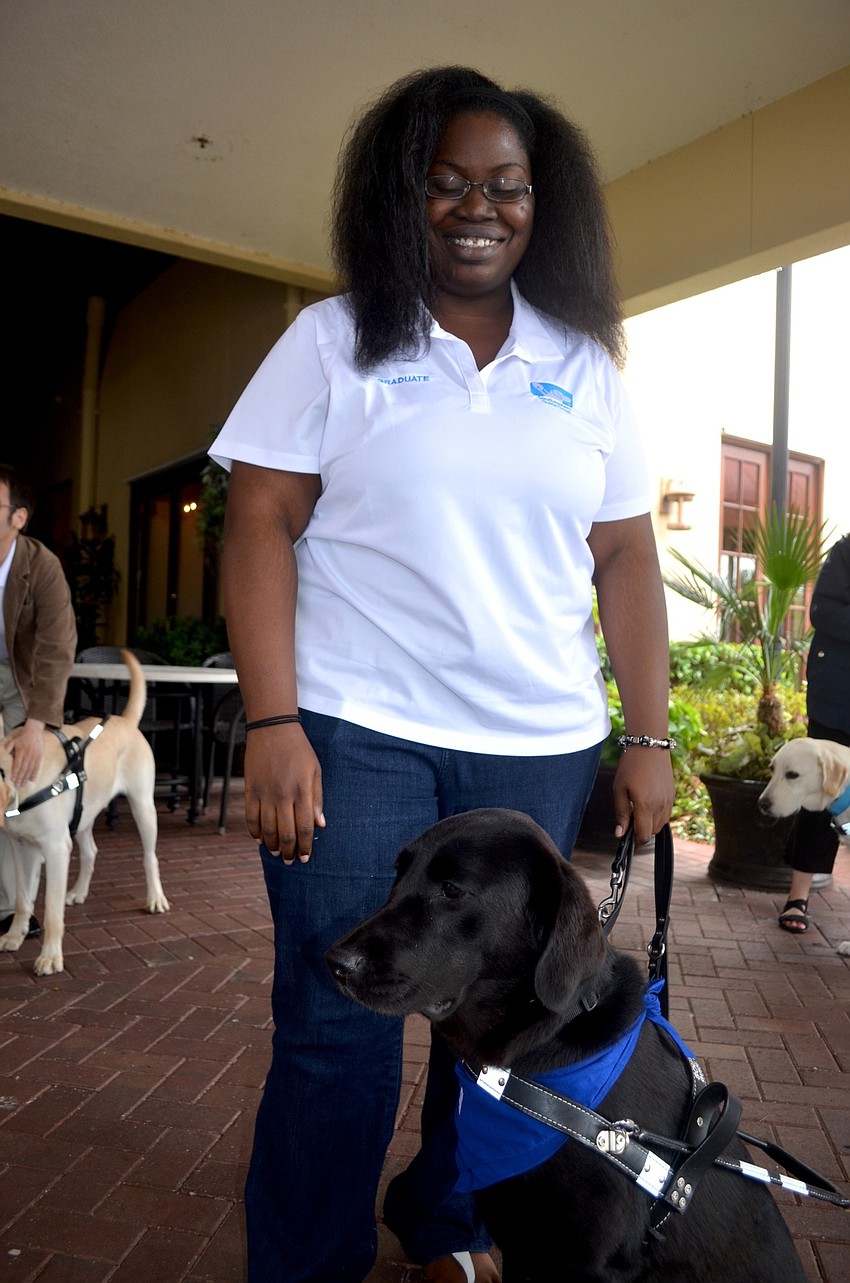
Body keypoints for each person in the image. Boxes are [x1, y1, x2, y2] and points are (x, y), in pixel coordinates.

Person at [212, 66, 675, 1283]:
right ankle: (305, 1264)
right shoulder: (331, 338)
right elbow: (258, 521)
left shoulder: (585, 364)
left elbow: (625, 553)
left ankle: (446, 1216)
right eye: (450, 181)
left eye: (507, 185)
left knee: (497, 1022)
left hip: (536, 742)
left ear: (543, 201)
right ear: (403, 195)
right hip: (353, 732)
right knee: (335, 1021)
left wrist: (649, 735)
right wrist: (271, 718)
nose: (480, 205)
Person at [0, 463, 78, 935]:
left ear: (18, 518)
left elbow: (56, 647)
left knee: (19, 787)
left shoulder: (41, 566)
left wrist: (36, 726)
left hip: (22, 681)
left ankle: (13, 908)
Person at [779, 532, 850, 933]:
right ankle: (798, 895)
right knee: (818, 795)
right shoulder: (847, 551)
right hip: (838, 698)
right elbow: (822, 612)